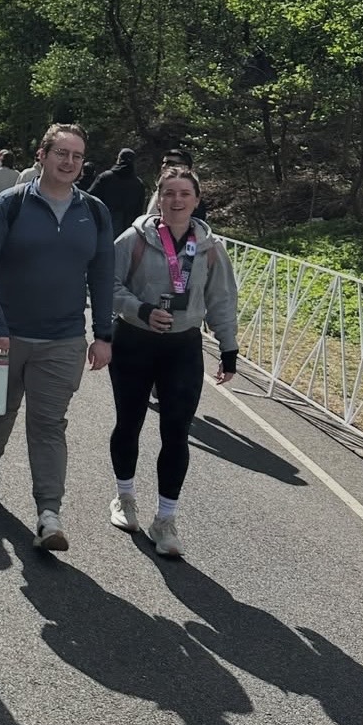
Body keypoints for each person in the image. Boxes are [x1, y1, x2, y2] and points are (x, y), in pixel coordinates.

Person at [0, 122, 114, 551]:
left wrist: (103, 334)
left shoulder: (95, 212)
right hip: (7, 337)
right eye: (61, 153)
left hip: (63, 339)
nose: (69, 162)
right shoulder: (10, 204)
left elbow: (103, 274)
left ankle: (49, 514)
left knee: (49, 424)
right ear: (42, 155)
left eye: (77, 156)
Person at [108, 166, 239, 559]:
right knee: (129, 422)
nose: (176, 200)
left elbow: (222, 299)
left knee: (177, 432)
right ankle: (125, 498)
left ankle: (165, 520)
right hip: (134, 342)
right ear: (159, 198)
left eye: (184, 194)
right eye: (169, 193)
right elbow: (105, 284)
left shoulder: (211, 248)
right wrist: (140, 310)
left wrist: (228, 348)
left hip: (182, 347)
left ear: (197, 200)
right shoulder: (133, 238)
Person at [91, 147, 146, 239]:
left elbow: (91, 199)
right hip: (128, 231)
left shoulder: (106, 177)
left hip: (104, 226)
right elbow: (139, 210)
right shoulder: (138, 184)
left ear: (119, 159)